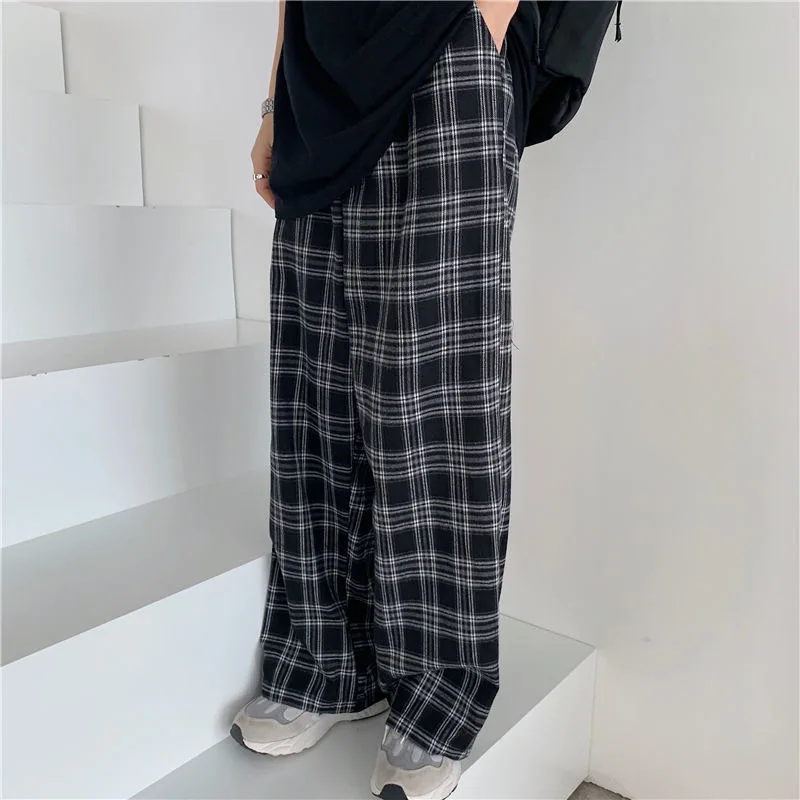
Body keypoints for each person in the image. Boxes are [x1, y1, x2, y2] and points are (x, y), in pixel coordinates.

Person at [232, 2, 535, 798]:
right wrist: (275, 100)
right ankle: (325, 664)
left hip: (444, 47)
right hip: (319, 74)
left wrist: (486, 19)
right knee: (314, 387)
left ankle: (435, 693)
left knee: (433, 399)